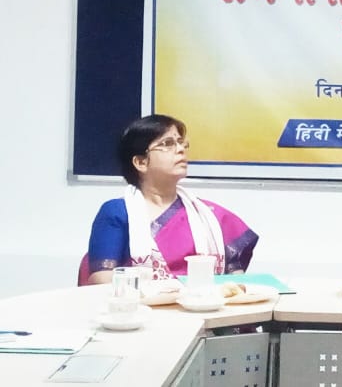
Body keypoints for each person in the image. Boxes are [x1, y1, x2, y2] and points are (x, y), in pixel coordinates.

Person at [86, 114, 258, 283]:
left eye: (181, 143)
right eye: (167, 144)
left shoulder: (211, 216)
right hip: (143, 301)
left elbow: (235, 281)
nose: (180, 149)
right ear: (141, 162)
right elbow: (102, 279)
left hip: (204, 300)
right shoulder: (117, 212)